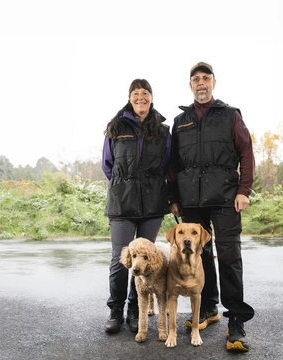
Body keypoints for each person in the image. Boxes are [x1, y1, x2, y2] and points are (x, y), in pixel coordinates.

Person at [167, 62, 255, 352]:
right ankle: (208, 308)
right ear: (190, 85)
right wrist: (174, 198)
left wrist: (244, 190)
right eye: (195, 79)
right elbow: (173, 165)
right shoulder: (180, 122)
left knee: (229, 257)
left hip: (226, 197)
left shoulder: (230, 115)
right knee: (199, 255)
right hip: (192, 200)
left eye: (205, 78)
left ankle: (237, 321)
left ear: (213, 83)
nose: (200, 83)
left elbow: (246, 151)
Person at [102, 79, 171, 334]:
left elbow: (165, 165)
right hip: (122, 203)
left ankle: (134, 310)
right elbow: (107, 165)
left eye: (145, 93)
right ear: (130, 98)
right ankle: (115, 310)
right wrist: (124, 186)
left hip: (152, 205)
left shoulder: (163, 131)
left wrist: (148, 186)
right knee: (120, 258)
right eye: (135, 93)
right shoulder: (116, 127)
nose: (140, 97)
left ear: (151, 98)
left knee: (144, 259)